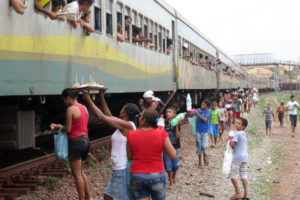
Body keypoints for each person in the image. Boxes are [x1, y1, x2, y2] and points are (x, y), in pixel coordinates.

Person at [82, 91, 140, 200]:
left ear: (126, 114)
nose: (121, 110)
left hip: (121, 169)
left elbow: (101, 117)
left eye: (123, 108)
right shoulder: (125, 124)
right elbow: (109, 116)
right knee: (107, 197)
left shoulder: (127, 126)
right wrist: (102, 98)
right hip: (117, 169)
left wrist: (88, 99)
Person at [50, 89, 91, 200]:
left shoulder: (70, 109)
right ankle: (88, 197)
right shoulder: (84, 108)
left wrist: (59, 127)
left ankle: (81, 198)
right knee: (81, 172)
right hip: (86, 140)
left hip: (76, 142)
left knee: (77, 174)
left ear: (68, 98)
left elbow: (68, 129)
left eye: (64, 100)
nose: (64, 103)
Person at [127, 109, 176, 200]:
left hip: (137, 175)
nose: (139, 118)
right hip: (156, 175)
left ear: (144, 120)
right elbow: (173, 155)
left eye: (141, 117)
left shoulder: (131, 135)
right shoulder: (161, 134)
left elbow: (129, 156)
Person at [229, 118, 249, 200]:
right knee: (243, 175)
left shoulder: (237, 133)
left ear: (243, 126)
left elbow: (233, 144)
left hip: (237, 157)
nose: (236, 124)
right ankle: (246, 194)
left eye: (239, 123)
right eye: (236, 123)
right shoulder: (243, 133)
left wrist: (230, 140)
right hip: (245, 158)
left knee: (232, 175)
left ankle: (238, 193)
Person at [163, 107, 181, 190]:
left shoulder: (176, 123)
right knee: (168, 164)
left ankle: (174, 175)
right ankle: (170, 182)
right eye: (167, 112)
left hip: (175, 146)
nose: (167, 113)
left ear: (174, 114)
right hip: (166, 147)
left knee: (175, 164)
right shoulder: (164, 123)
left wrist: (176, 126)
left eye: (170, 112)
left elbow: (177, 136)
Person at [195, 101, 210, 168]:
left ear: (207, 106)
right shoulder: (198, 110)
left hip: (204, 131)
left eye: (204, 105)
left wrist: (198, 115)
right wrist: (190, 111)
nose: (202, 105)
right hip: (198, 131)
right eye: (202, 104)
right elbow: (191, 114)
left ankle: (205, 159)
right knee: (199, 147)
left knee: (204, 146)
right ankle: (200, 163)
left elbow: (205, 120)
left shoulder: (207, 111)